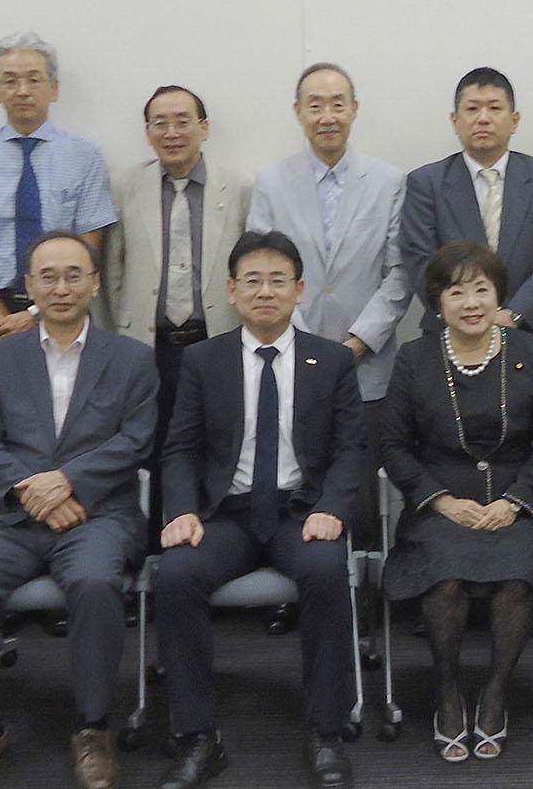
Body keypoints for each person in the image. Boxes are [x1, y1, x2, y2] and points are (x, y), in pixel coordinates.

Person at [0, 232, 157, 789]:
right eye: (48, 277)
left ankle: (92, 727)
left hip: (98, 513)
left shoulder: (132, 358)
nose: (61, 288)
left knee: (95, 582)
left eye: (74, 275)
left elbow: (136, 440)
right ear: (29, 286)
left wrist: (66, 482)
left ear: (95, 282)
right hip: (11, 512)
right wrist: (29, 489)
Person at [152, 230, 367, 789]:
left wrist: (334, 509)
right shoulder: (203, 360)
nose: (265, 291)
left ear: (299, 291)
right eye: (252, 280)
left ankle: (325, 729)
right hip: (228, 514)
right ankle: (198, 737)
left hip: (302, 511)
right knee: (175, 574)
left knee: (324, 569)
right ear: (231, 290)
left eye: (278, 281)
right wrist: (181, 511)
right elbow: (179, 447)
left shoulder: (334, 360)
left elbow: (351, 450)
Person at [379, 241, 533, 764]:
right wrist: (438, 501)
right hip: (440, 507)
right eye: (455, 291)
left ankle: (495, 691)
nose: (470, 302)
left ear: (499, 296)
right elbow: (393, 445)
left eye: (481, 289)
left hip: (513, 505)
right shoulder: (414, 359)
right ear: (437, 302)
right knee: (445, 579)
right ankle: (446, 692)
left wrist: (516, 501)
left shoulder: (531, 353)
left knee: (516, 578)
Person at [248, 63, 412, 562]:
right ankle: (297, 584)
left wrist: (357, 343)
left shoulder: (388, 181)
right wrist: (301, 342)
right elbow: (261, 269)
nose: (327, 116)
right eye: (314, 105)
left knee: (359, 490)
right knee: (292, 480)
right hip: (287, 359)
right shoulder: (272, 181)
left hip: (367, 366)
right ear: (298, 112)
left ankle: (365, 596)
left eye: (337, 104)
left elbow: (400, 273)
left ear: (354, 110)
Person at [105, 84, 250, 541]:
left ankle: (208, 544)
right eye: (159, 123)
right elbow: (112, 270)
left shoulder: (240, 188)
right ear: (147, 133)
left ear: (203, 128)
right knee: (149, 447)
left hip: (215, 343)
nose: (171, 132)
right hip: (149, 348)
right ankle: (150, 551)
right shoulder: (125, 185)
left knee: (215, 445)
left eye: (182, 121)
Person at [0, 31, 116, 386]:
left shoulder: (85, 157)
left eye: (34, 79)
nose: (22, 90)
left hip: (63, 307)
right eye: (10, 81)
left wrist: (35, 315)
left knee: (65, 415)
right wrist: (3, 320)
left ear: (54, 88)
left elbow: (90, 247)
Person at [399, 67, 533, 385]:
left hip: (531, 335)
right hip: (449, 340)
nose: (483, 118)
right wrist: (467, 316)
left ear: (515, 119)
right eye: (472, 108)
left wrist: (514, 314)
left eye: (495, 108)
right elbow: (419, 259)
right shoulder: (425, 183)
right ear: (455, 120)